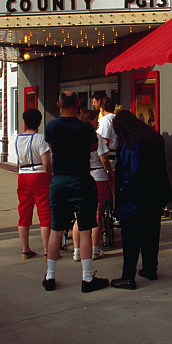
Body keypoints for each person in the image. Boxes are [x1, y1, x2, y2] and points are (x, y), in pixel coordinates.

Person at [43, 91, 108, 293]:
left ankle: (50, 276)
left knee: (56, 228)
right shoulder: (85, 127)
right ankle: (87, 279)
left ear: (58, 104)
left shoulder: (51, 126)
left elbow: (50, 147)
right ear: (78, 104)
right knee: (85, 228)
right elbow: (94, 147)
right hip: (81, 180)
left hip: (59, 180)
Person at [110, 110, 172, 290]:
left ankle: (128, 277)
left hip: (135, 197)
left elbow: (131, 173)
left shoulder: (131, 143)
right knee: (151, 234)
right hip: (155, 195)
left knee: (130, 239)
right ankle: (150, 269)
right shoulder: (154, 137)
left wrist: (122, 196)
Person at [71, 109, 114, 262]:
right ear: (89, 120)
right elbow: (104, 159)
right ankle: (95, 249)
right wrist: (110, 172)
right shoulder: (96, 137)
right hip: (98, 176)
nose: (98, 122)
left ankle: (77, 251)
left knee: (80, 216)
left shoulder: (74, 137)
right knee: (97, 215)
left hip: (79, 176)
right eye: (96, 119)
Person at [15, 108, 52, 261]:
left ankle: (25, 249)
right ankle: (47, 251)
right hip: (39, 174)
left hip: (23, 175)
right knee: (44, 212)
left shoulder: (18, 138)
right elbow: (46, 163)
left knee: (24, 212)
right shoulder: (40, 139)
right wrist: (50, 176)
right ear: (39, 122)